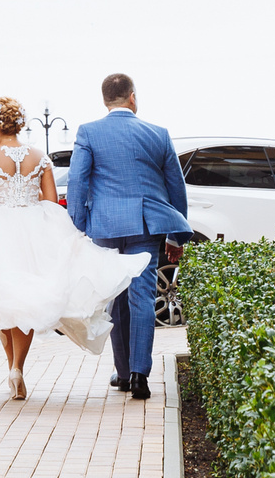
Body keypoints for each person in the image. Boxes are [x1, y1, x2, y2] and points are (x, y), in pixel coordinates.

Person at [0, 95, 152, 401]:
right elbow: (50, 200)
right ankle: (18, 367)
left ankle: (12, 367)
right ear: (19, 124)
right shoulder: (40, 157)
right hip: (35, 230)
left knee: (0, 298)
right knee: (29, 299)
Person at [63, 73, 192, 400]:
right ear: (132, 97)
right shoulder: (158, 134)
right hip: (145, 226)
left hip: (105, 226)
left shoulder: (89, 132)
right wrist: (176, 237)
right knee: (142, 297)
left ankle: (122, 373)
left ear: (105, 100)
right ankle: (139, 376)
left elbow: (77, 183)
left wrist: (76, 227)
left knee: (116, 297)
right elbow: (176, 188)